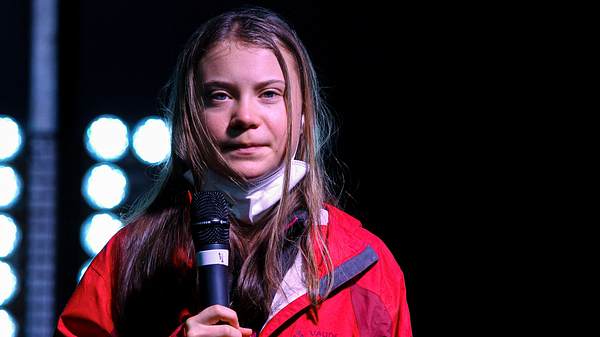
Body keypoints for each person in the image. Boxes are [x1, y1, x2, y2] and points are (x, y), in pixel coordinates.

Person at [55, 7, 412, 337]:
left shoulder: (368, 269)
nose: (245, 117)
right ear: (189, 116)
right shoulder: (128, 260)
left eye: (270, 94)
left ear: (303, 118)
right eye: (220, 96)